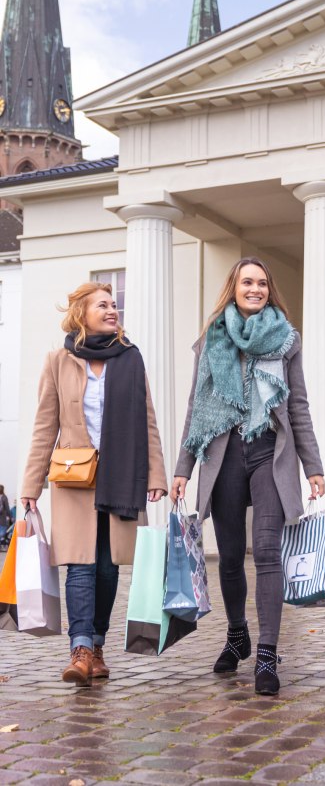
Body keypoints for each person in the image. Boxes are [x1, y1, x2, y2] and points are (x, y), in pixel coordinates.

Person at [171, 257, 325, 696]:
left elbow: (298, 407)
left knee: (267, 552)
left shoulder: (287, 341)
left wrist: (313, 466)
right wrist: (184, 468)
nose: (254, 289)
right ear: (233, 288)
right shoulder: (210, 341)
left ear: (269, 289)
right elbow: (195, 410)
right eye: (247, 282)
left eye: (261, 283)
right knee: (232, 556)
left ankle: (268, 653)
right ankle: (237, 634)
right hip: (223, 457)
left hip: (269, 454)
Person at [21, 282, 167, 686]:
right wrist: (30, 486)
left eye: (114, 305)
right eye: (102, 305)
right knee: (80, 565)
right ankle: (80, 648)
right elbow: (43, 426)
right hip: (73, 477)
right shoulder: (58, 361)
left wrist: (156, 474)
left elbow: (147, 422)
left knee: (107, 567)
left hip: (122, 475)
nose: (112, 310)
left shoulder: (131, 359)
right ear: (81, 313)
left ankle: (97, 645)